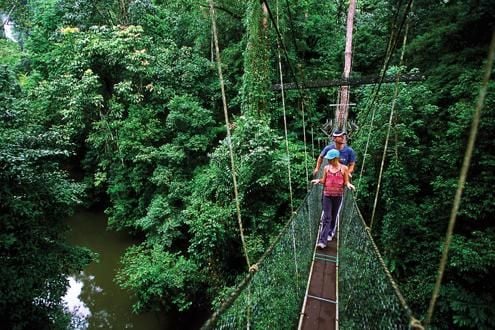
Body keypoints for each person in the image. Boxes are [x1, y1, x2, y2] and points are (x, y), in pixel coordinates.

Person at [311, 149, 355, 249]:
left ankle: (330, 232)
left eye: (330, 159)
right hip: (327, 195)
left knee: (334, 216)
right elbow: (324, 180)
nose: (329, 161)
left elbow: (346, 182)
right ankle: (322, 241)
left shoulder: (344, 168)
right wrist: (318, 180)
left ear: (336, 158)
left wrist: (349, 185)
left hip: (338, 196)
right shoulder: (326, 168)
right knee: (327, 217)